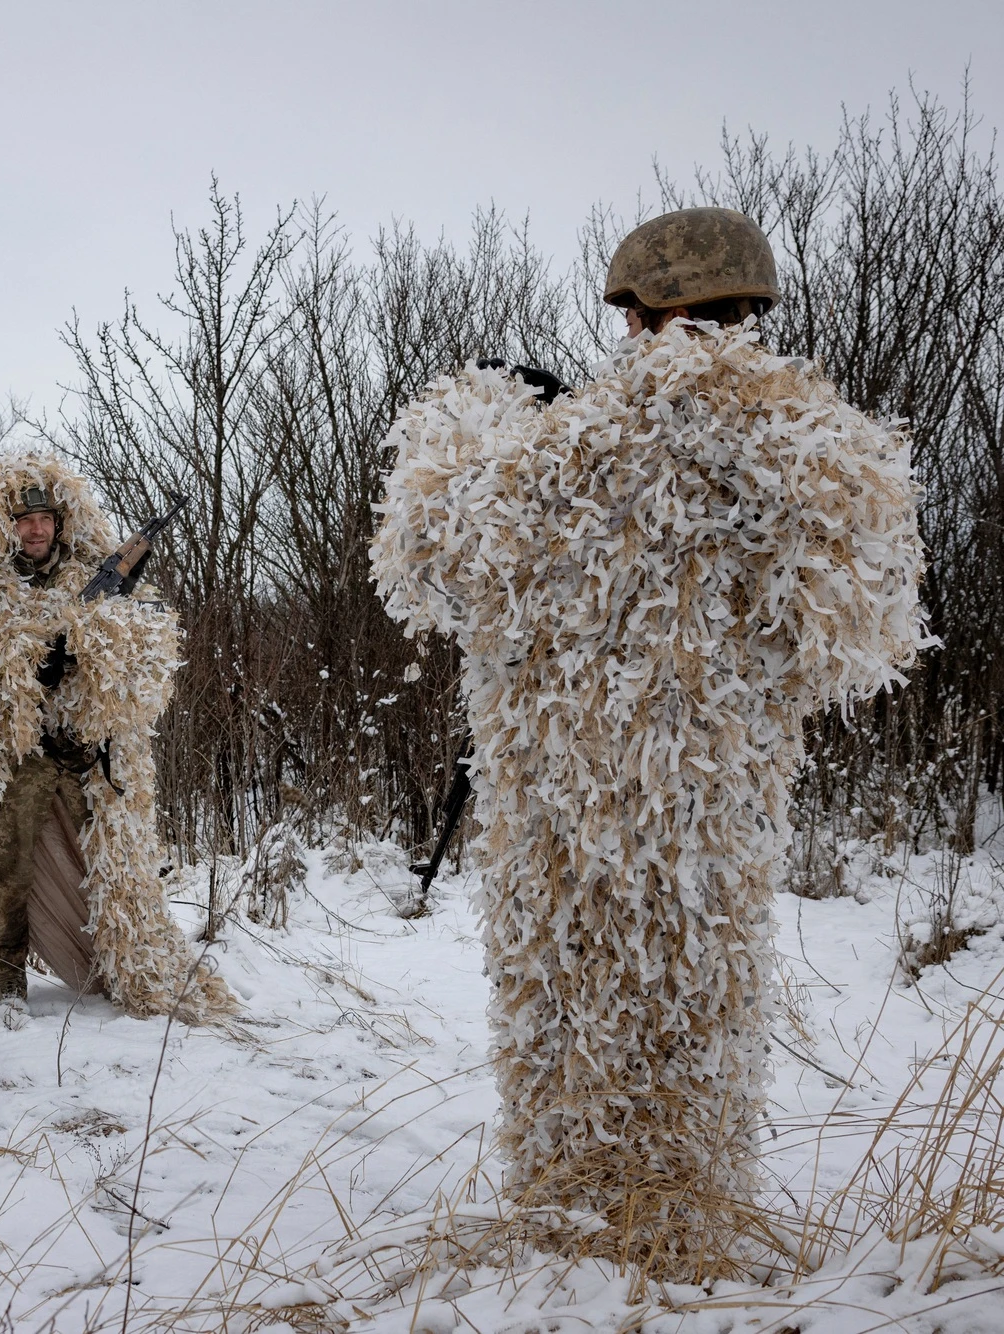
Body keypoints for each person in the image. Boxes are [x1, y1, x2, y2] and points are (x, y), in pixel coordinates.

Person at [371, 207, 927, 1268]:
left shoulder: (558, 445)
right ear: (748, 307)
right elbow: (858, 635)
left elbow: (424, 550)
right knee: (696, 1014)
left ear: (635, 313)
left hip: (553, 824)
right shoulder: (815, 447)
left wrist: (480, 407)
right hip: (710, 819)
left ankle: (571, 1226)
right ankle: (686, 1225)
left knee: (564, 1016)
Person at [0, 452, 236, 1026]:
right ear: (7, 524)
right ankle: (6, 977)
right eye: (24, 518)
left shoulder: (90, 575)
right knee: (6, 860)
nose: (36, 529)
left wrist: (105, 629)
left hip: (92, 753)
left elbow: (143, 647)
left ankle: (122, 961)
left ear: (60, 523)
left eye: (45, 519)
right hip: (25, 754)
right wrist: (34, 663)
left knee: (115, 863)